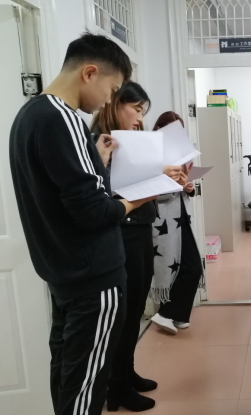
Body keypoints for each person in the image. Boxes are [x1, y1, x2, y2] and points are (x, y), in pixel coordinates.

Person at [9, 33, 156, 415]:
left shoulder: (28, 116)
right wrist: (142, 197)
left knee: (68, 376)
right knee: (85, 389)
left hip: (63, 274)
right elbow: (94, 212)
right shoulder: (65, 119)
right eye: (112, 89)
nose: (109, 99)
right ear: (89, 73)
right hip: (94, 278)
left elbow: (69, 196)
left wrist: (98, 164)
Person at [91, 82, 184, 412]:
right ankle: (116, 387)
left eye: (143, 111)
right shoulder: (99, 143)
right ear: (115, 103)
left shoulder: (133, 143)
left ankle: (126, 373)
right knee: (125, 312)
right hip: (121, 232)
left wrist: (168, 177)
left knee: (133, 309)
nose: (139, 118)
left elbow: (139, 185)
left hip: (141, 227)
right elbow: (107, 190)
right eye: (137, 109)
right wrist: (158, 172)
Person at [149, 111, 205, 335]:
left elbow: (184, 186)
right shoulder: (150, 155)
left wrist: (188, 186)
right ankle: (166, 314)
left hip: (181, 215)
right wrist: (176, 186)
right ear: (159, 129)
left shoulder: (180, 154)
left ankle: (177, 314)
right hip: (163, 218)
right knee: (178, 265)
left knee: (191, 265)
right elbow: (149, 193)